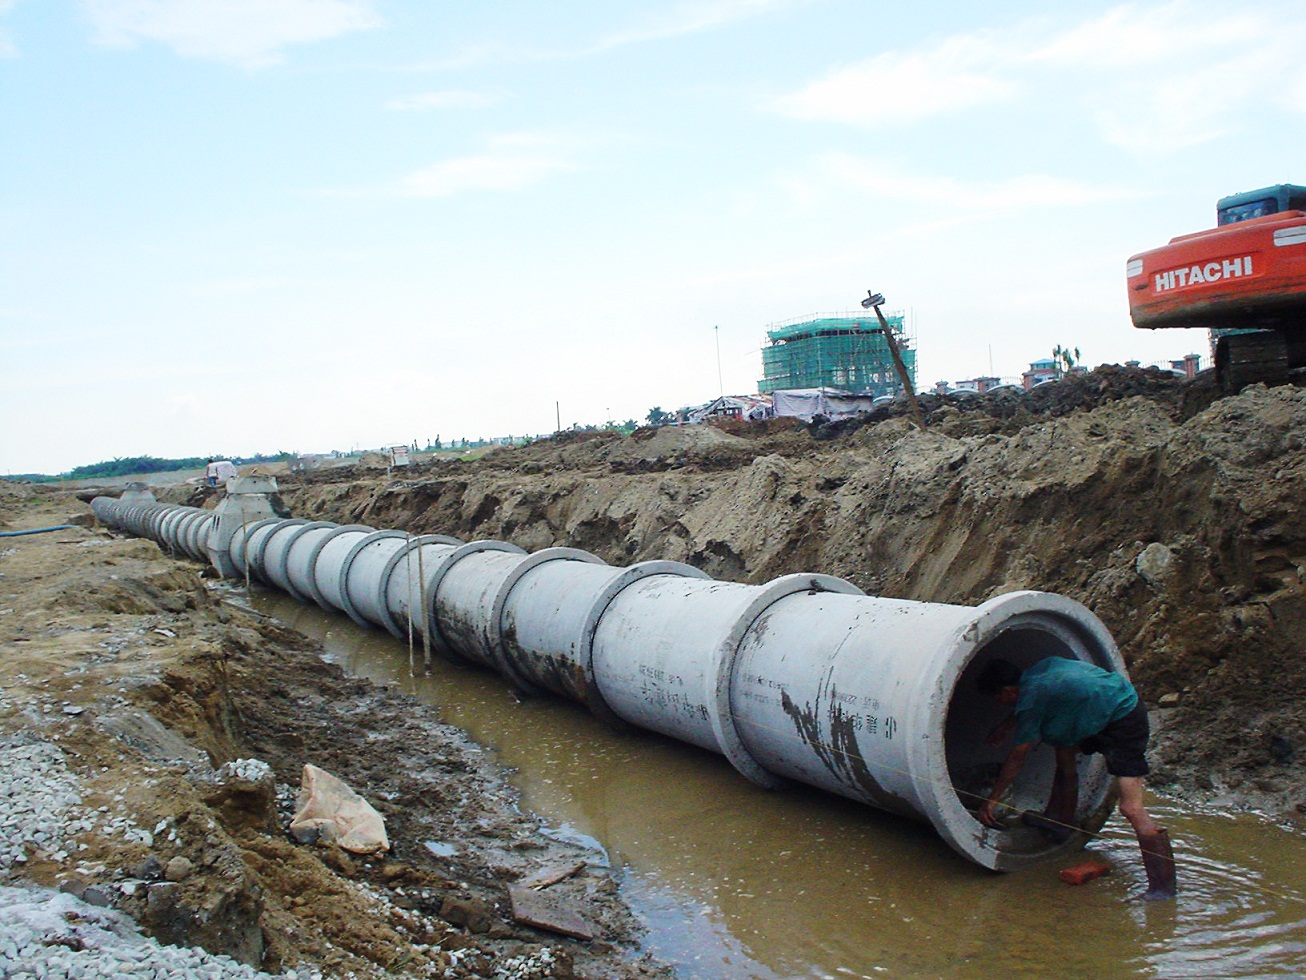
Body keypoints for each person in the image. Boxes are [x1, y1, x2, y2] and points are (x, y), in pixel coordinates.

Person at [974, 656, 1176, 901]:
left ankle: (1162, 889)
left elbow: (1018, 757)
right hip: (1103, 707)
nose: (1001, 704)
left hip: (1124, 719)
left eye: (999, 698)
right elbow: (1032, 700)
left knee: (1131, 808)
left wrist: (992, 800)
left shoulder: (1032, 696)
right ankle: (1060, 823)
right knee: (1064, 750)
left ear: (1008, 690)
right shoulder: (1039, 670)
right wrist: (1007, 725)